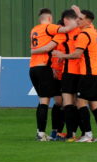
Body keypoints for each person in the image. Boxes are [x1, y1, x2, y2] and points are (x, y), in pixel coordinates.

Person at [53, 9, 97, 143]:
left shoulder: (73, 32)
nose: (78, 20)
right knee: (90, 104)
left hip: (75, 71)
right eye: (77, 18)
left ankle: (75, 134)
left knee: (71, 102)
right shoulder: (90, 29)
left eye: (80, 18)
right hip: (85, 71)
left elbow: (56, 47)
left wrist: (59, 55)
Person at [29, 8, 76, 141]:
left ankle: (44, 131)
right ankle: (41, 134)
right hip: (43, 68)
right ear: (49, 19)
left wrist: (34, 51)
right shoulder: (49, 27)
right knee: (45, 101)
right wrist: (76, 16)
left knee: (50, 101)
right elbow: (67, 29)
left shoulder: (34, 29)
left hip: (33, 68)